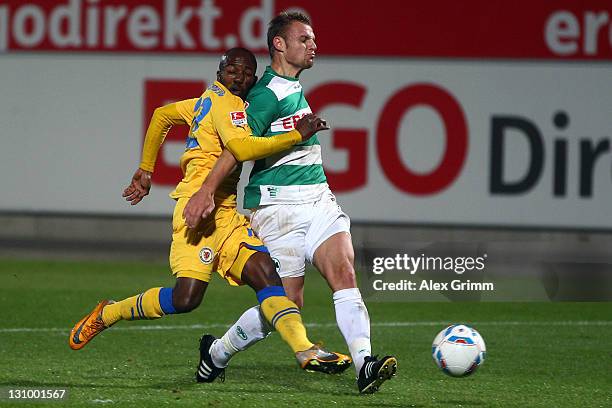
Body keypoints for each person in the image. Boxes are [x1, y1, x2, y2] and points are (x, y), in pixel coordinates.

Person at [68, 47, 352, 381]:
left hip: (226, 212)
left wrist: (146, 169)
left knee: (268, 277)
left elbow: (161, 116)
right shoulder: (226, 105)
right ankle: (110, 312)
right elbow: (242, 149)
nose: (241, 77)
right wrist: (296, 135)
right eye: (233, 70)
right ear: (220, 72)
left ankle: (305, 349)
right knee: (186, 298)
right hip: (197, 209)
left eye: (247, 72)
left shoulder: (205, 99)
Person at [189, 14, 397, 394]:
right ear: (279, 45)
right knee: (286, 305)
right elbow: (238, 148)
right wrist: (206, 191)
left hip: (317, 199)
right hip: (277, 209)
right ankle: (216, 353)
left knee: (345, 273)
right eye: (304, 38)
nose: (313, 45)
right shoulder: (266, 94)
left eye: (313, 38)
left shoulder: (291, 86)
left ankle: (365, 364)